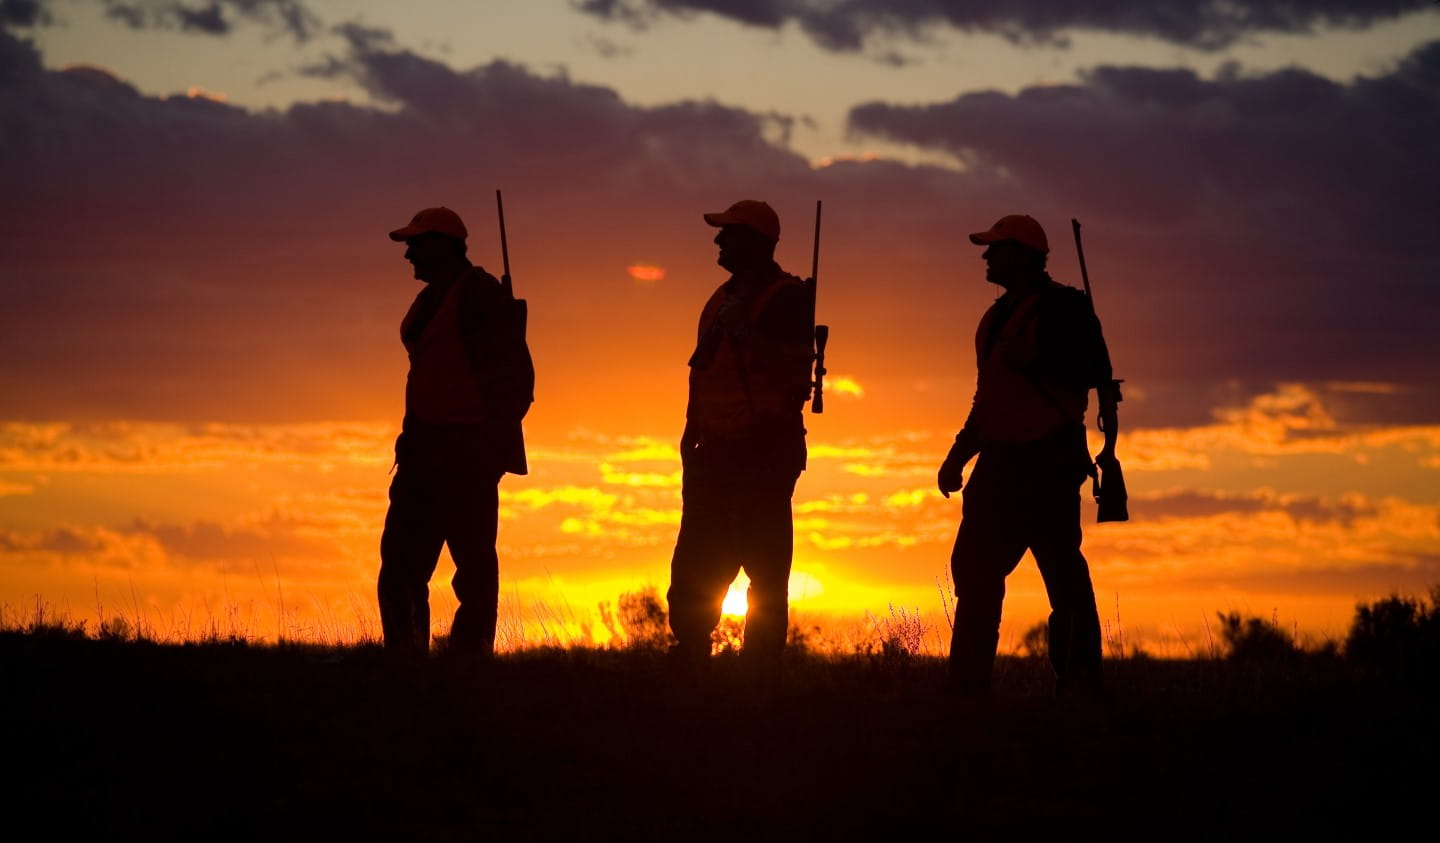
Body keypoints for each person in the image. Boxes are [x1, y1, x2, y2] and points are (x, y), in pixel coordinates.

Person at [937, 213, 1119, 698]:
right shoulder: (995, 318)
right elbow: (989, 398)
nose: (986, 256)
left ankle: (1079, 687)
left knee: (1064, 581)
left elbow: (1086, 375)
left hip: (1047, 466)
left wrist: (1037, 361)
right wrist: (958, 456)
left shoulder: (1065, 310)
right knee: (975, 578)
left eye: (996, 248)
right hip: (998, 467)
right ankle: (966, 692)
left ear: (1022, 255)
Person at [378, 205, 534, 661]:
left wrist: (488, 451)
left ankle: (470, 658)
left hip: (466, 453)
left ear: (443, 247)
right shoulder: (431, 299)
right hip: (422, 451)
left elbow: (516, 383)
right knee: (401, 566)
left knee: (473, 569)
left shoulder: (480, 296)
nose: (408, 254)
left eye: (416, 244)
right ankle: (406, 657)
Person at [666, 199, 815, 672]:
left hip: (761, 454)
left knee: (765, 569)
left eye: (728, 234)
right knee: (696, 566)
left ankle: (759, 673)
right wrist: (690, 435)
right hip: (712, 454)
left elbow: (796, 369)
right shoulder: (722, 297)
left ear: (754, 242)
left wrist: (747, 334)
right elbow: (706, 373)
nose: (718, 241)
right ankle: (691, 658)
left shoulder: (785, 298)